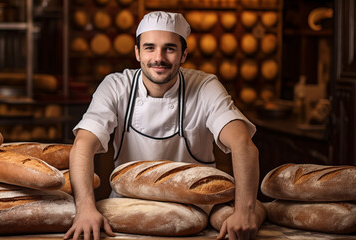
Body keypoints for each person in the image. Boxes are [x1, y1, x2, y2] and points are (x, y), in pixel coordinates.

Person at [64, 11, 260, 240]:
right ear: (137, 52)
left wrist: (245, 212)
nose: (159, 57)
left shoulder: (206, 86)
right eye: (149, 48)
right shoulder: (116, 86)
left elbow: (242, 144)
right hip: (126, 212)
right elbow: (83, 145)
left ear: (183, 54)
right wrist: (86, 208)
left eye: (169, 48)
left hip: (196, 214)